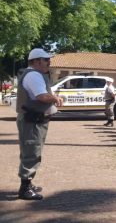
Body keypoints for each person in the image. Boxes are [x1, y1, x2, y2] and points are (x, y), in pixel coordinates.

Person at [15, 48, 63, 200]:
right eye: (46, 59)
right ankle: (25, 189)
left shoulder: (32, 74)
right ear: (36, 61)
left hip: (33, 120)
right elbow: (41, 96)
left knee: (31, 150)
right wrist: (55, 98)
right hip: (32, 121)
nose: (49, 62)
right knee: (31, 152)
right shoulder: (34, 75)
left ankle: (28, 183)